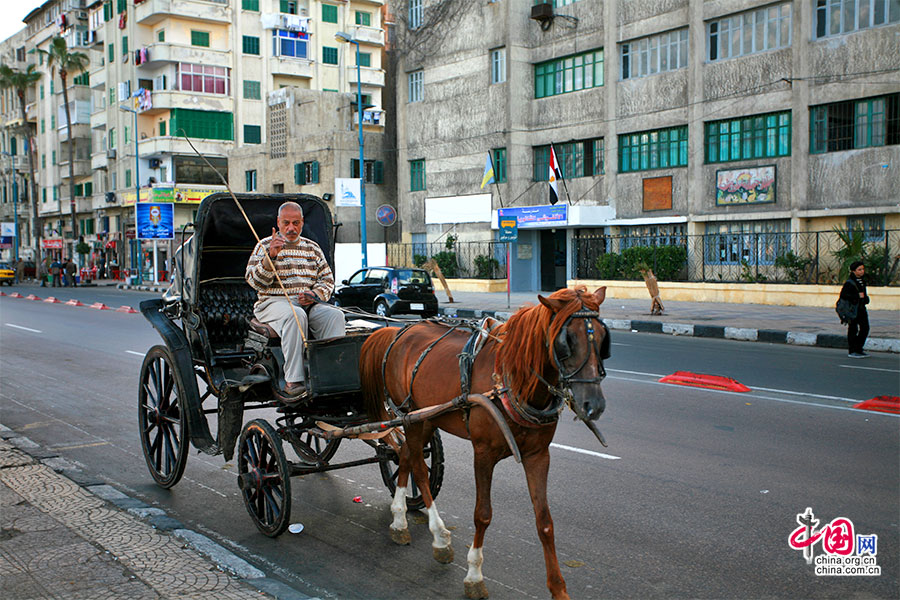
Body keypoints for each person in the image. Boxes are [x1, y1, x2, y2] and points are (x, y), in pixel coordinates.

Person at [245, 202, 345, 401]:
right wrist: (270, 259)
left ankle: (331, 375)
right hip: (272, 303)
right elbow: (254, 282)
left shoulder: (312, 248)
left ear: (302, 223)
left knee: (335, 316)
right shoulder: (264, 245)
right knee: (295, 315)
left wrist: (315, 295)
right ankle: (293, 380)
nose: (291, 228)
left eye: (296, 223)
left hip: (308, 303)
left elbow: (327, 280)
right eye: (286, 223)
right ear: (278, 223)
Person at [840, 260, 870, 358]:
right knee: (853, 329)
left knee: (865, 328)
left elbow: (864, 295)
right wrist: (857, 296)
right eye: (859, 269)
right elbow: (844, 295)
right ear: (853, 271)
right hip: (852, 310)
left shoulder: (862, 281)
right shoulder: (849, 283)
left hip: (861, 309)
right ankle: (852, 350)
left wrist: (865, 298)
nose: (862, 271)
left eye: (862, 269)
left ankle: (859, 348)